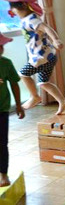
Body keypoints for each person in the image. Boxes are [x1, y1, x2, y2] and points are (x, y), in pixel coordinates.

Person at [3, 0, 65, 115]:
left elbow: (47, 28)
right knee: (44, 83)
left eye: (13, 9)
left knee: (23, 74)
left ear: (23, 5)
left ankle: (35, 97)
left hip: (41, 58)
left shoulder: (32, 20)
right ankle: (62, 100)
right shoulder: (28, 18)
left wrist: (56, 40)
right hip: (49, 56)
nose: (12, 11)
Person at [0, 33, 25, 187]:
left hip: (2, 109)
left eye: (2, 46)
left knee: (2, 143)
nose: (1, 49)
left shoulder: (6, 63)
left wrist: (18, 105)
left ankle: (3, 174)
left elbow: (14, 84)